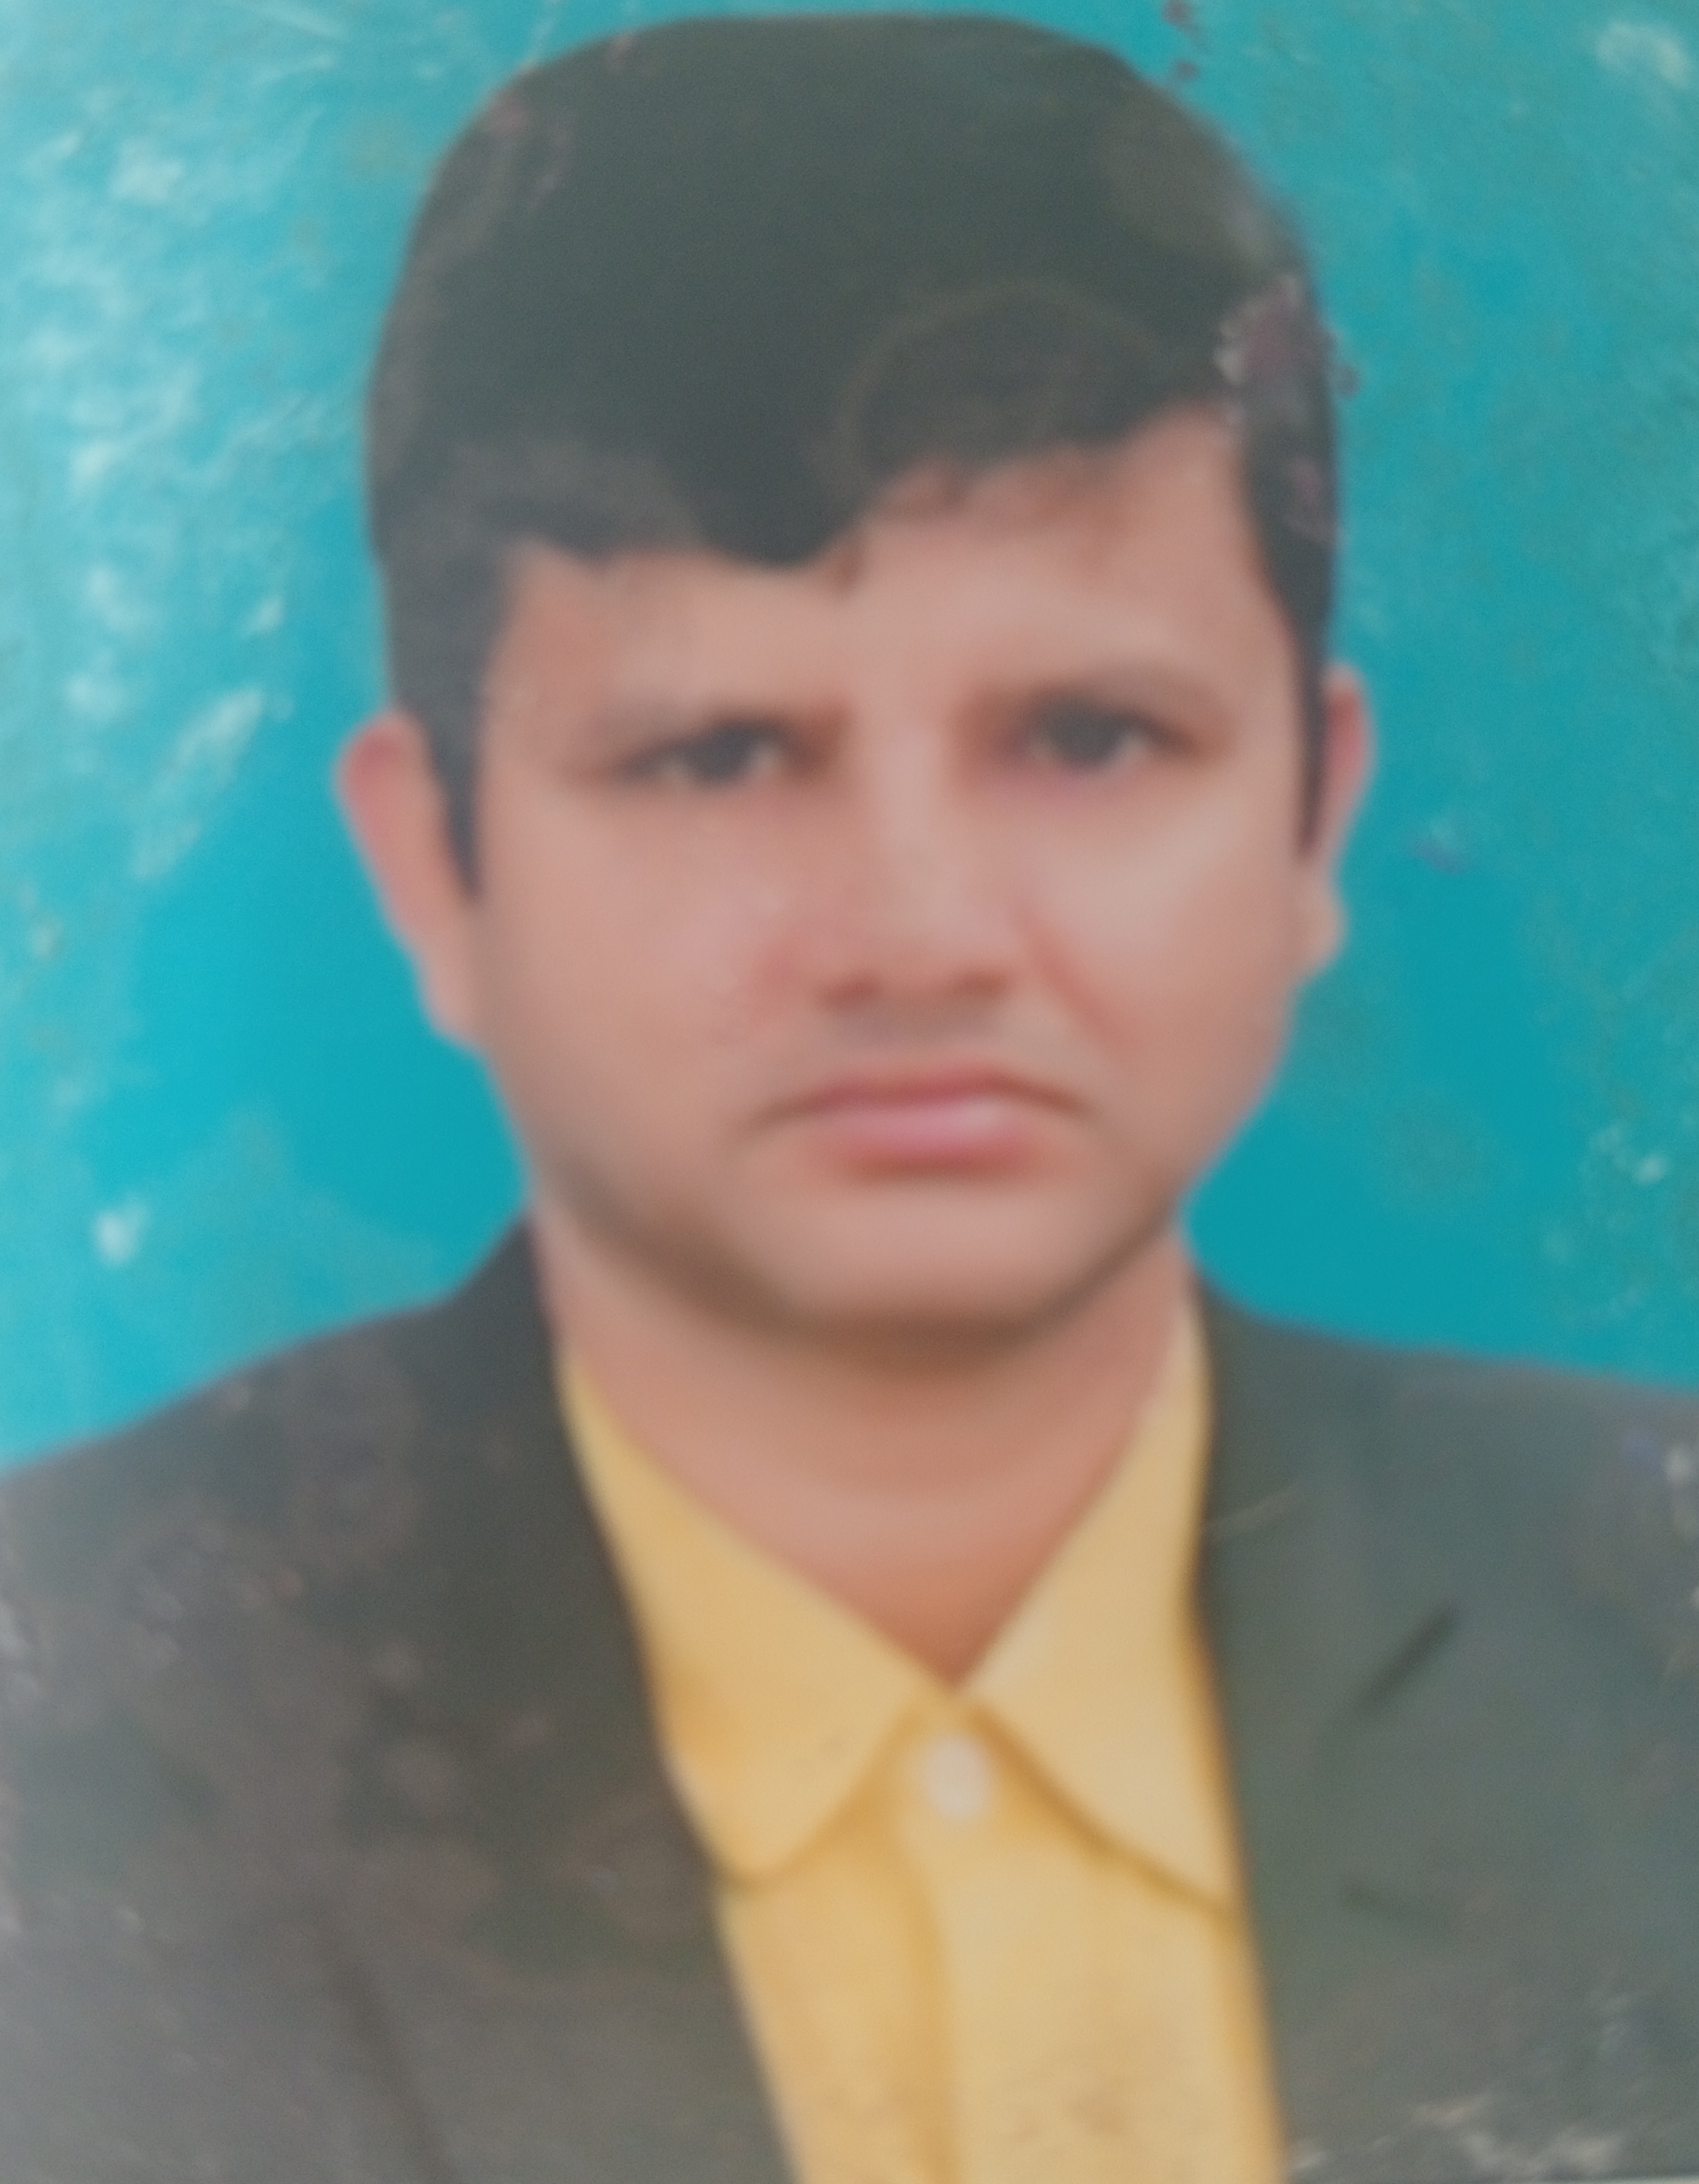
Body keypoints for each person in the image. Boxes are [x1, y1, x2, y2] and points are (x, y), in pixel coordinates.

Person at [1, 14, 1697, 2183]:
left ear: (1313, 812)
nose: (919, 936)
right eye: (718, 755)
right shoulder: (57, 1739)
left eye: (1088, 738)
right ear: (431, 866)